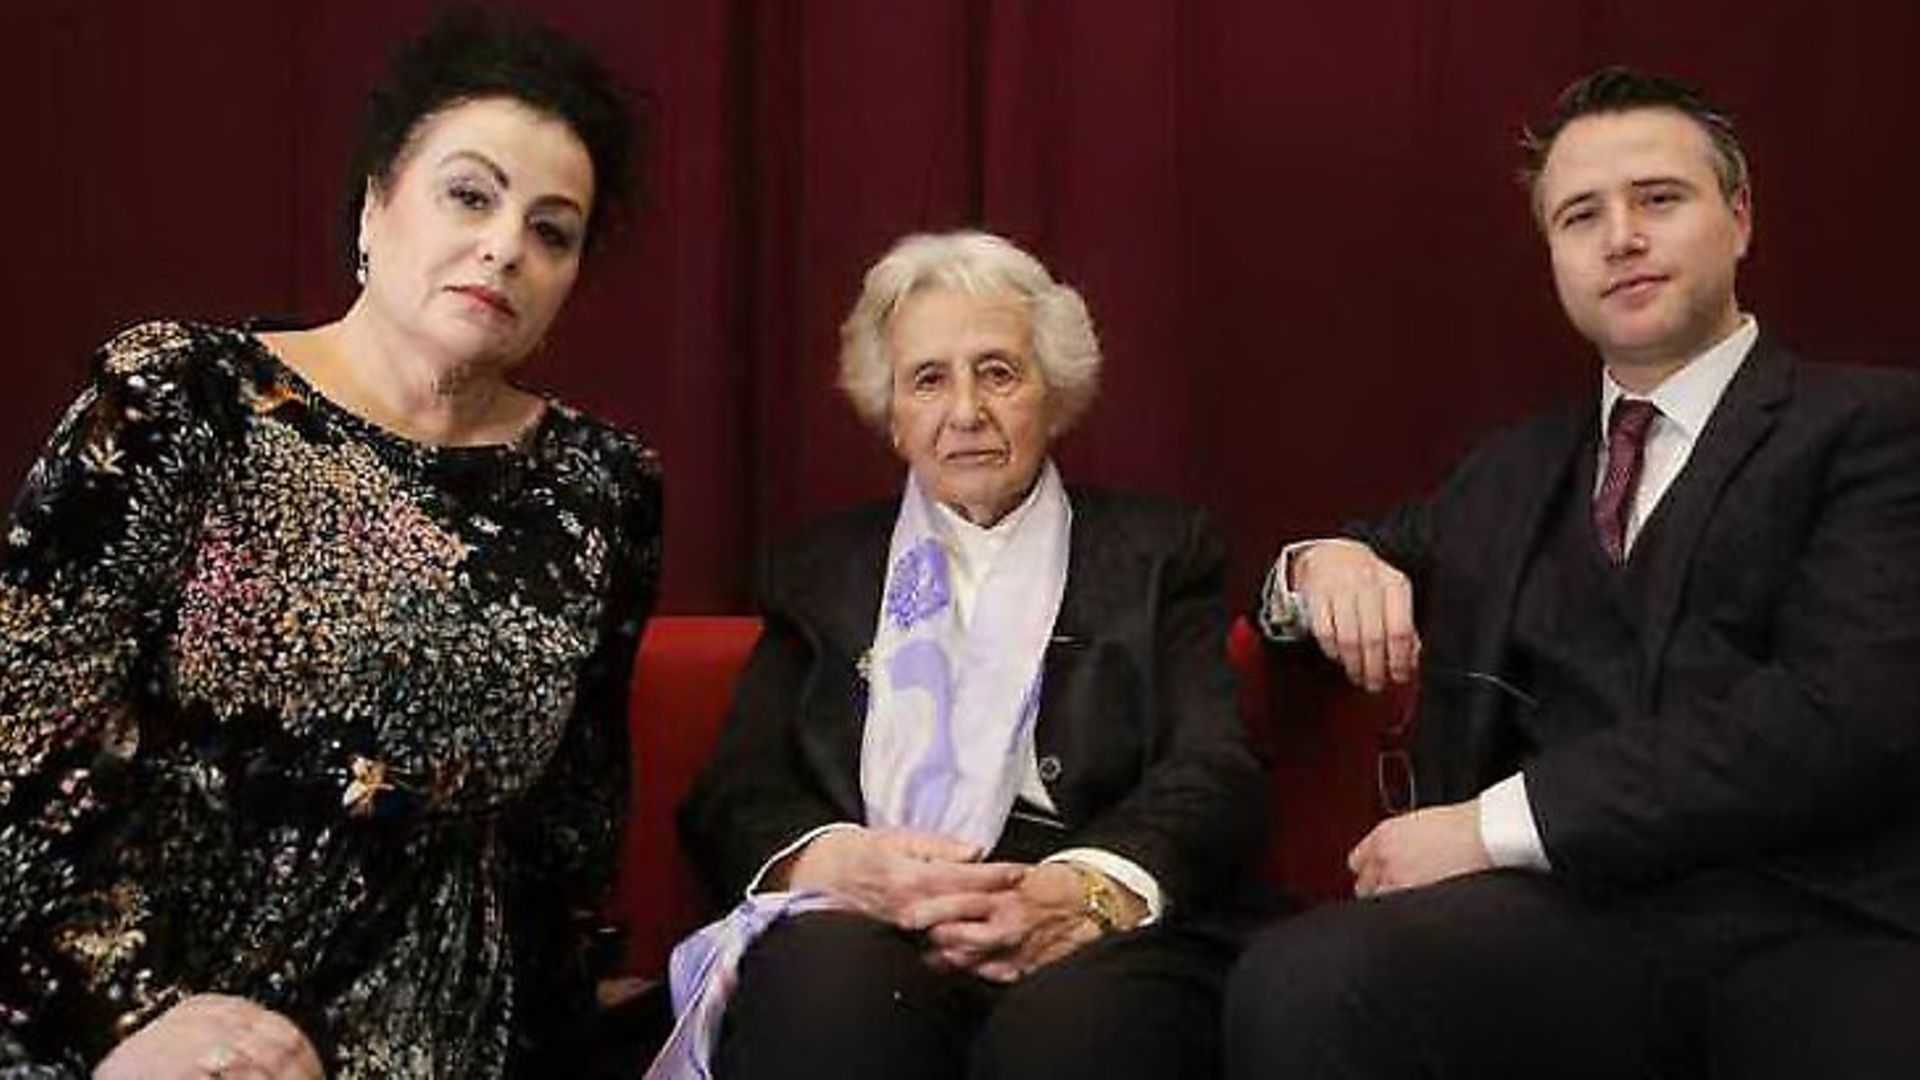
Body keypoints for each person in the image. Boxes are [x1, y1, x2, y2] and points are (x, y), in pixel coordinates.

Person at [1225, 66, 1920, 1078]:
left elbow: (1842, 720)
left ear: (1740, 218)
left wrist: (1494, 825)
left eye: (1659, 199)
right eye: (1580, 216)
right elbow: (1344, 566)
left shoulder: (1877, 430)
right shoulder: (1510, 472)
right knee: (1304, 981)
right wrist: (1320, 561)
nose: (1621, 237)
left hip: (1812, 918)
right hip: (1571, 927)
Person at [0, 11, 660, 1077]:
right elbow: (24, 741)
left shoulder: (602, 485)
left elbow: (568, 834)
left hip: (440, 1025)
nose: (506, 245)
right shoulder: (186, 397)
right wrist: (128, 1014)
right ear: (374, 206)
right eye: (470, 194)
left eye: (553, 230)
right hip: (132, 999)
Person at [655, 231, 1266, 1080]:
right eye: (929, 379)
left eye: (999, 372)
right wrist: (843, 864)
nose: (967, 412)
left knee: (1068, 1038)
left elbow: (1213, 771)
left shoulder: (1161, 552)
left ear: (1052, 394)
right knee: (828, 996)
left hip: (1085, 919)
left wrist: (1085, 889)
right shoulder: (819, 571)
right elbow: (740, 789)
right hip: (876, 914)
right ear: (892, 413)